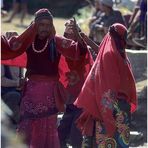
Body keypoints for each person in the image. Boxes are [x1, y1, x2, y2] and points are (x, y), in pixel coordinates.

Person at [1, 8, 91, 148]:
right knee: (27, 126)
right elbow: (10, 48)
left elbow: (78, 52)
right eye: (41, 24)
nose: (45, 28)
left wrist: (78, 37)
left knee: (46, 127)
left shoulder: (57, 42)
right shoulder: (28, 41)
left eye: (48, 25)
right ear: (35, 25)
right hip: (30, 93)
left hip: (49, 94)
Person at [74, 23, 137, 147]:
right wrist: (87, 40)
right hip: (123, 109)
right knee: (119, 143)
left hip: (109, 108)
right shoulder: (122, 56)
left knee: (105, 141)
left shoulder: (109, 56)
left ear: (109, 36)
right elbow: (102, 54)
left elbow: (107, 86)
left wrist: (104, 109)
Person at [58, 19, 93, 148]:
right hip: (69, 100)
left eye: (70, 33)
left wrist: (78, 36)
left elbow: (82, 49)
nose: (66, 37)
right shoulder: (62, 50)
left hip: (82, 99)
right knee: (60, 133)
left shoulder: (85, 50)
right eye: (65, 34)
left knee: (75, 135)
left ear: (78, 34)